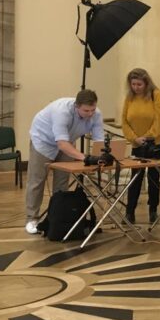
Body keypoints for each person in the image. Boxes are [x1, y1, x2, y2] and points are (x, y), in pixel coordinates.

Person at [24, 89, 105, 234]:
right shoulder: (61, 111)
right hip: (43, 141)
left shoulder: (96, 114)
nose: (90, 114)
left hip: (68, 143)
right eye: (86, 111)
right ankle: (32, 219)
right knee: (37, 181)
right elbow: (61, 143)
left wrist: (102, 157)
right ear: (76, 106)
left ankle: (57, 217)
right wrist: (85, 157)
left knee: (62, 182)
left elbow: (99, 140)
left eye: (92, 110)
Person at [121, 68, 160, 224]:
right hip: (137, 144)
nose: (136, 87)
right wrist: (134, 138)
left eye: (139, 84)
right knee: (135, 178)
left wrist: (148, 137)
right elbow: (124, 121)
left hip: (155, 143)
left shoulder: (156, 94)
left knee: (153, 178)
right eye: (133, 84)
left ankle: (153, 210)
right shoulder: (129, 97)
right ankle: (130, 212)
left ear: (146, 83)